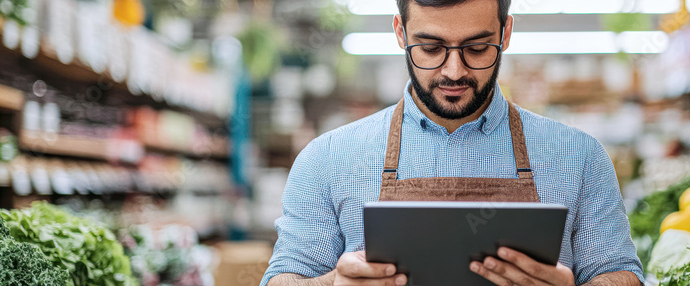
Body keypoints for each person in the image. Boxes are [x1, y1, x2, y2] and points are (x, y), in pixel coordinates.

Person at [261, 0, 644, 285]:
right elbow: (284, 278)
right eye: (430, 48)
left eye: (477, 48)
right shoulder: (327, 158)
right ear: (400, 32)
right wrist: (332, 284)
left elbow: (621, 273)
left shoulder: (580, 156)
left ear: (506, 34)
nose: (454, 71)